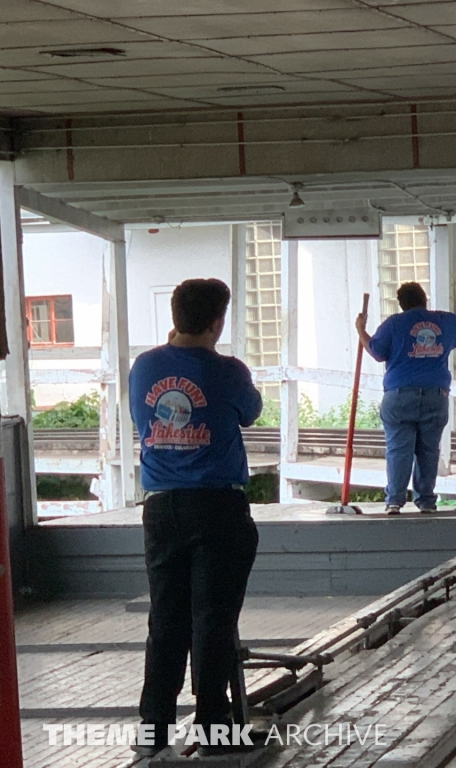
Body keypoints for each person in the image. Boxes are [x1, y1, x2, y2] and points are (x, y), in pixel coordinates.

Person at [129, 279, 263, 757]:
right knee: (214, 619)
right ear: (216, 322)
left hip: (161, 506)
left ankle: (153, 731)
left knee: (165, 620)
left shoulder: (143, 367)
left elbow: (138, 420)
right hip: (217, 507)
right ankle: (213, 728)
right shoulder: (227, 371)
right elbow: (252, 412)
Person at [357, 282, 456, 515]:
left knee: (398, 449)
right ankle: (426, 501)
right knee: (428, 450)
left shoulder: (394, 324)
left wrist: (360, 329)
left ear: (401, 303)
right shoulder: (443, 320)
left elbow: (376, 351)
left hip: (399, 396)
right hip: (435, 395)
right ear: (424, 299)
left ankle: (394, 501)